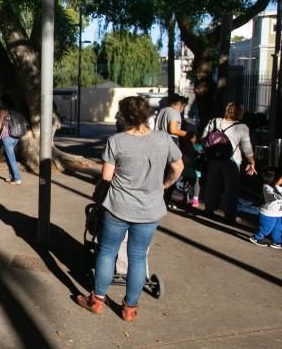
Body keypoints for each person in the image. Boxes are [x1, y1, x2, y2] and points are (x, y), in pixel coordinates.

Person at [76, 96, 183, 322]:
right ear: (147, 115)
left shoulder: (116, 141)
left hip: (117, 207)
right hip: (150, 209)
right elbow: (178, 167)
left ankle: (97, 300)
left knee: (107, 252)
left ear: (123, 115)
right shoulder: (164, 140)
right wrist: (164, 185)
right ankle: (130, 309)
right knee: (137, 256)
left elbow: (106, 177)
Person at [202, 102, 256, 224]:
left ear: (226, 110)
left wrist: (210, 151)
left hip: (214, 158)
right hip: (232, 161)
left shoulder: (214, 122)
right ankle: (229, 215)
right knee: (231, 188)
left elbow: (203, 138)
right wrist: (251, 161)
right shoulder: (242, 127)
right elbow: (247, 148)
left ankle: (209, 208)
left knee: (212, 184)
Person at [0, 95, 26, 185]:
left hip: (7, 138)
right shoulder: (15, 112)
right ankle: (12, 177)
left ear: (3, 103)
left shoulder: (3, 112)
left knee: (11, 158)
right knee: (8, 156)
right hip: (16, 137)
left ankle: (17, 178)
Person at [248, 167, 282, 249]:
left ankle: (276, 242)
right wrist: (277, 185)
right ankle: (256, 238)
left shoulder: (279, 186)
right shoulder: (266, 187)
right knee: (266, 228)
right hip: (268, 214)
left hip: (279, 213)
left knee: (278, 229)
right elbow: (276, 196)